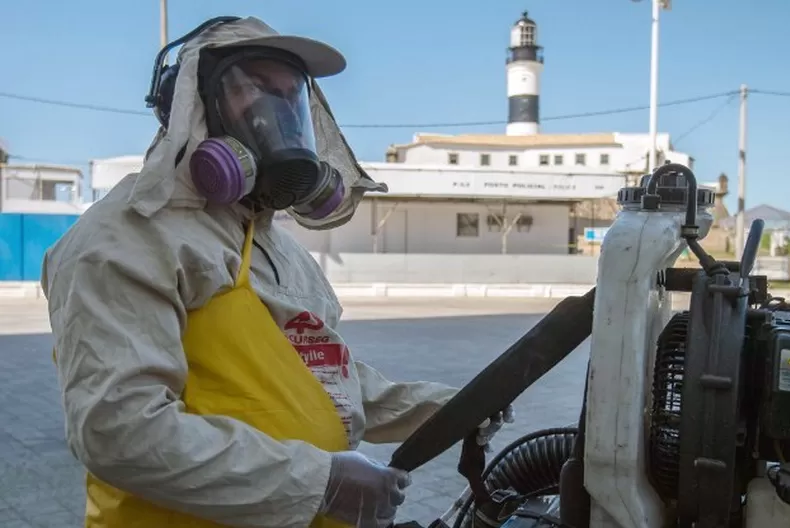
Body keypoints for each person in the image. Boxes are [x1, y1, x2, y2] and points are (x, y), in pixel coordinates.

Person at [41, 16, 512, 528]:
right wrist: (321, 483)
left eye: (292, 97)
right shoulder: (126, 236)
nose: (280, 114)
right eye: (255, 90)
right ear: (192, 105)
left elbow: (328, 382)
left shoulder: (278, 249)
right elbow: (120, 431)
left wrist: (450, 408)